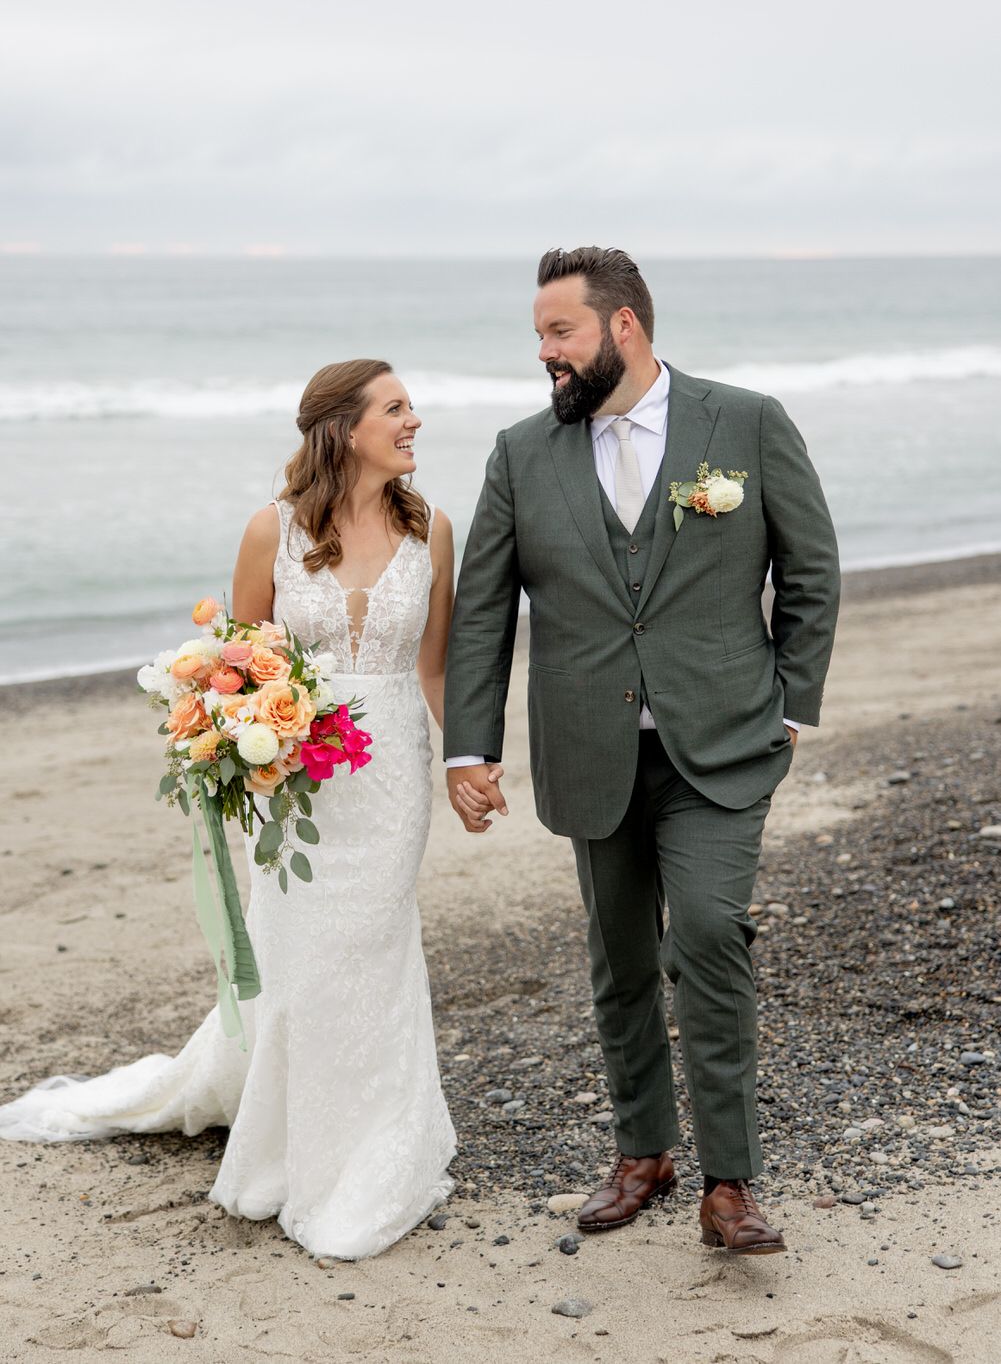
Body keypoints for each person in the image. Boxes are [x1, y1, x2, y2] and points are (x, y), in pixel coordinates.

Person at [0, 358, 466, 1260]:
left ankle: (376, 1140)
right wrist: (244, 745)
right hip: (296, 778)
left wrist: (464, 764)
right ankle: (290, 1134)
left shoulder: (433, 530)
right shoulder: (273, 531)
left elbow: (433, 666)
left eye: (412, 406)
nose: (416, 421)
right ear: (342, 427)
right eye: (396, 408)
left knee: (374, 941)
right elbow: (239, 667)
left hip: (393, 776)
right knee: (297, 946)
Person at [444, 248, 840, 1255]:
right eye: (540, 337)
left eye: (559, 332)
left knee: (706, 933)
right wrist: (468, 749)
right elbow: (482, 610)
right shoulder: (520, 452)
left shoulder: (742, 422)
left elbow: (810, 566)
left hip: (724, 745)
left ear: (621, 326)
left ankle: (730, 1181)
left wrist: (793, 703)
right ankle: (642, 1151)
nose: (545, 355)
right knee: (617, 959)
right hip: (589, 749)